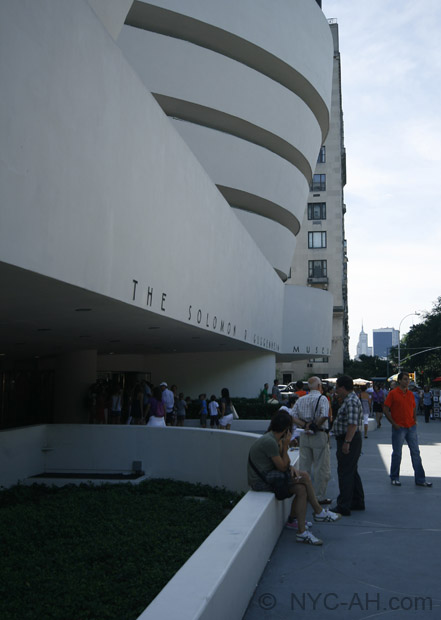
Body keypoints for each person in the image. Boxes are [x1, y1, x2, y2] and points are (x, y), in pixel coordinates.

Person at [247, 411, 341, 546]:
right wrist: (286, 446)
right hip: (260, 482)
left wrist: (290, 467)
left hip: (268, 476)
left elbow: (284, 465)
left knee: (301, 489)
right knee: (305, 476)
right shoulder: (271, 442)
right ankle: (318, 511)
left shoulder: (274, 438)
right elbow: (282, 467)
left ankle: (300, 530)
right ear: (287, 428)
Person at [383, 372, 432, 487]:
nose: (407, 381)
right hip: (399, 428)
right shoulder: (393, 394)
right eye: (405, 379)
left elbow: (413, 408)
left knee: (416, 452)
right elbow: (385, 409)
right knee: (397, 453)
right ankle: (394, 477)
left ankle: (420, 479)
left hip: (411, 427)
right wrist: (394, 424)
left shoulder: (411, 394)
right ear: (399, 381)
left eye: (408, 380)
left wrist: (414, 421)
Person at [292, 377, 331, 505]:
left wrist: (304, 425)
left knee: (304, 466)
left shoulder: (301, 399)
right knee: (321, 467)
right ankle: (319, 496)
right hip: (319, 435)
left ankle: (304, 494)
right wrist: (314, 426)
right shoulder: (322, 398)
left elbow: (292, 416)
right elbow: (325, 415)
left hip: (304, 436)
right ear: (319, 385)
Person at [330, 375, 365, 516]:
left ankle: (344, 505)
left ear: (343, 387)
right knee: (351, 471)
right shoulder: (350, 399)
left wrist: (347, 442)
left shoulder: (350, 401)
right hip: (349, 438)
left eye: (337, 387)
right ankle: (357, 501)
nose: (336, 390)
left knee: (345, 472)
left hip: (348, 439)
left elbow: (352, 424)